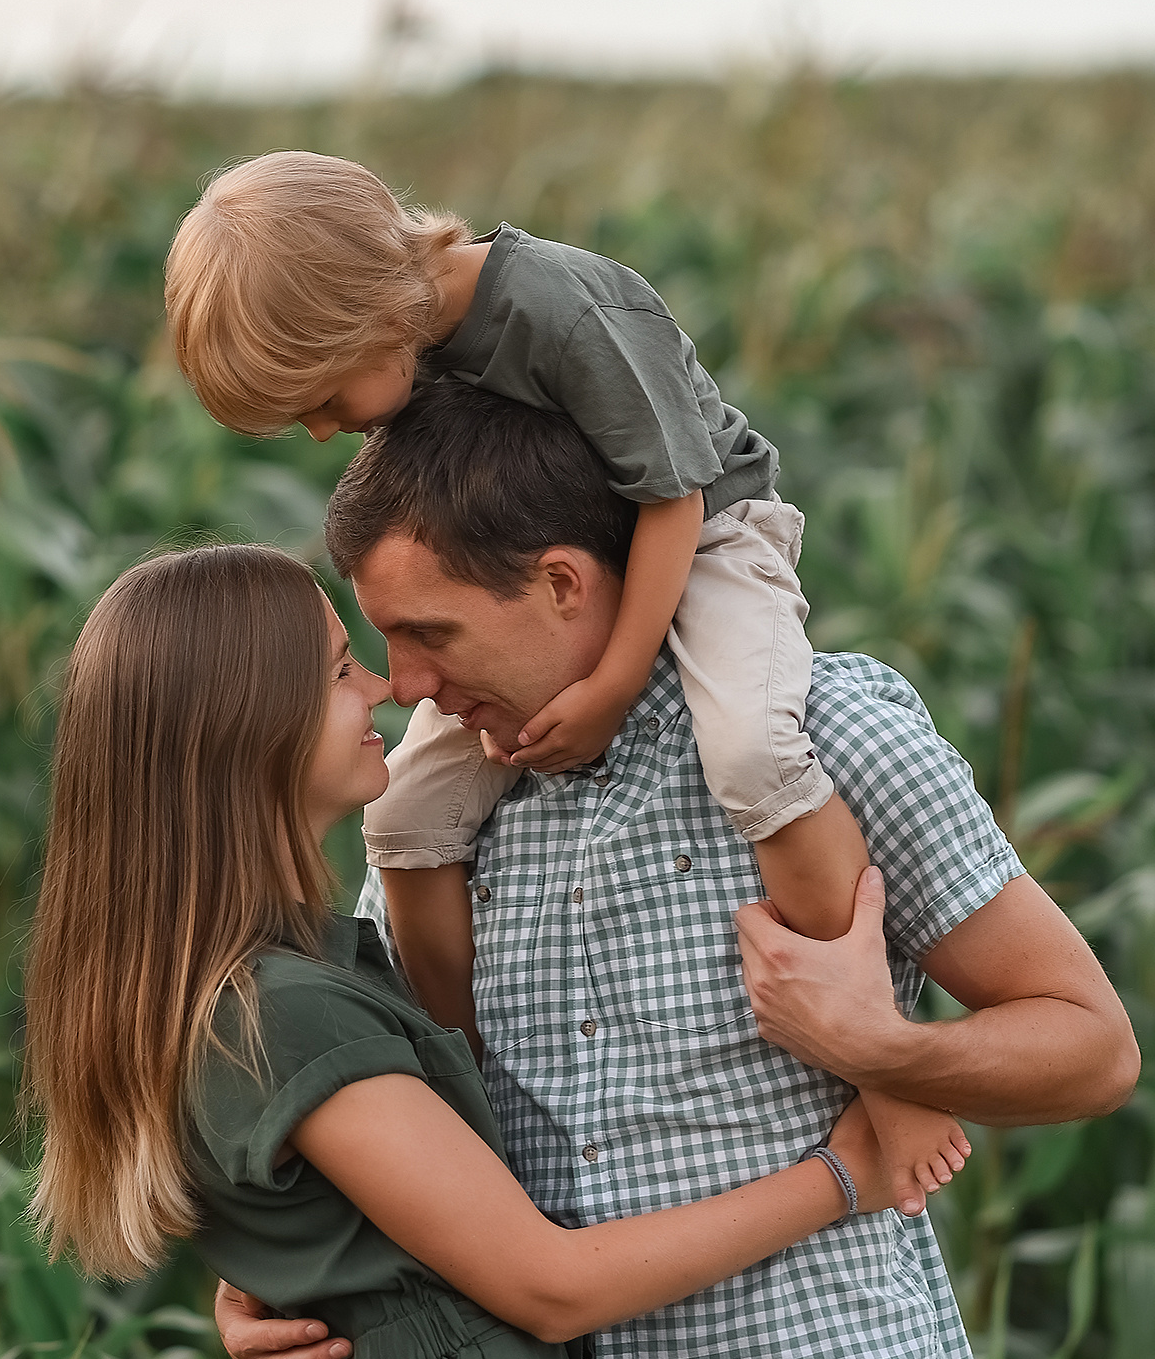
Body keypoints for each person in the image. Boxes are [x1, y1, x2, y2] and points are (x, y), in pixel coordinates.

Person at [217, 389, 1140, 1359]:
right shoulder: (435, 819)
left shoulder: (824, 736)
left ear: (559, 584)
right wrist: (273, 1285)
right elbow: (406, 1126)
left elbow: (1090, 1048)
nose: (405, 686)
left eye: (429, 634)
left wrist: (878, 1051)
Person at [21, 541, 908, 1359]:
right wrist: (844, 1175)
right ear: (241, 729)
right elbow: (545, 1284)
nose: (383, 688)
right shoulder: (277, 1007)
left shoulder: (285, 975)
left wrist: (292, 1284)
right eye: (340, 669)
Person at [165, 149, 965, 1215]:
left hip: (707, 535)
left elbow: (673, 499)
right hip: (564, 572)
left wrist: (612, 681)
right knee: (406, 817)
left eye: (318, 400)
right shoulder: (407, 352)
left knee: (755, 755)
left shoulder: (564, 307)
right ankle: (464, 1098)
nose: (324, 432)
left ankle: (885, 1066)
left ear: (364, 312)